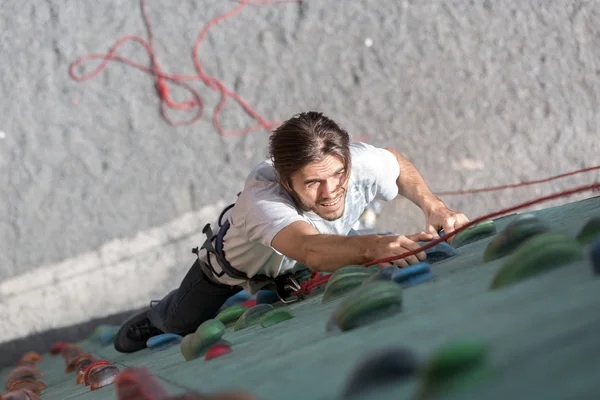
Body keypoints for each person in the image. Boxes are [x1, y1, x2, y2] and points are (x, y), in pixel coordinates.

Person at [114, 111, 470, 353]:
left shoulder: (354, 163)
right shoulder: (262, 198)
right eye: (313, 183)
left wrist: (435, 207)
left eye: (338, 176)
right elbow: (309, 247)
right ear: (286, 181)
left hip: (308, 261)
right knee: (180, 321)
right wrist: (375, 247)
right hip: (231, 272)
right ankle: (156, 316)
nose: (331, 191)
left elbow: (395, 162)